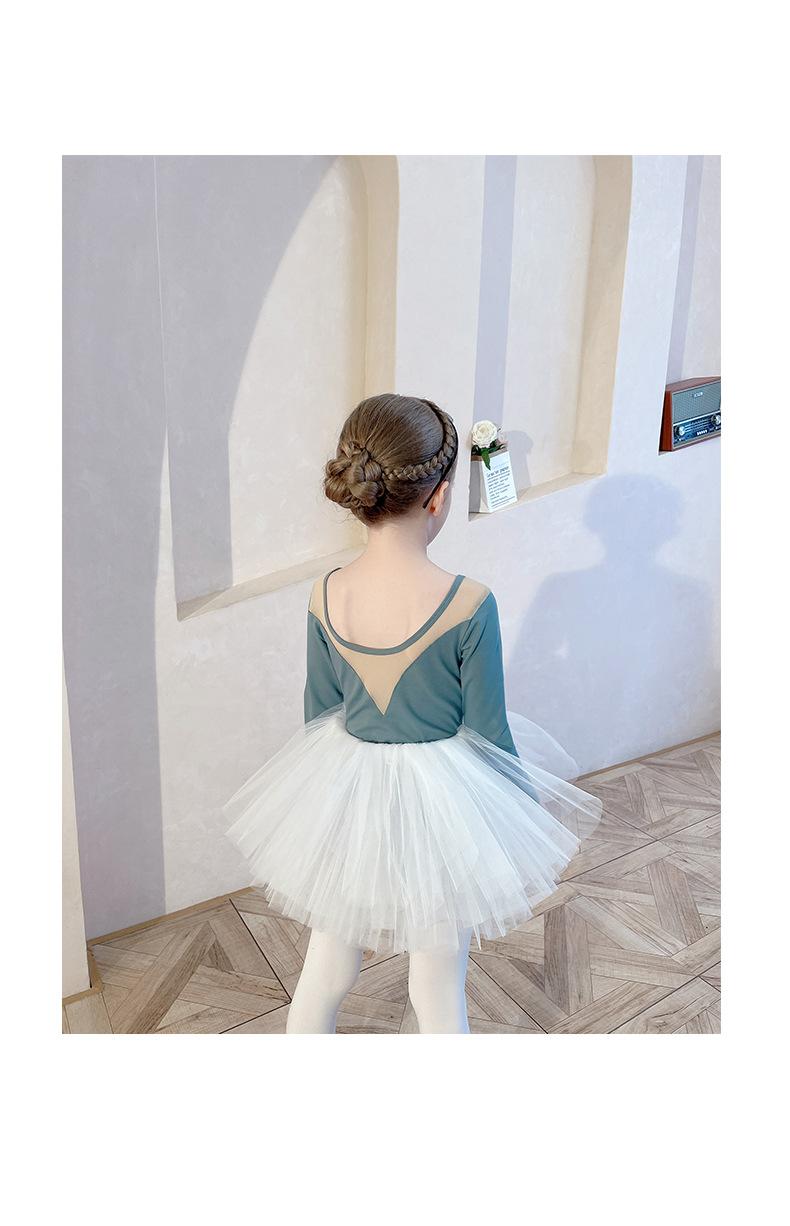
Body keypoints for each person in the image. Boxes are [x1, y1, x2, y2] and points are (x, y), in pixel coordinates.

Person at [223, 394, 602, 1033]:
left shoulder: (324, 593)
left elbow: (319, 714)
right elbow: (488, 730)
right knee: (437, 980)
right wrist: (516, 818)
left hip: (349, 795)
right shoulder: (469, 602)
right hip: (446, 805)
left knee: (326, 968)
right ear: (440, 496)